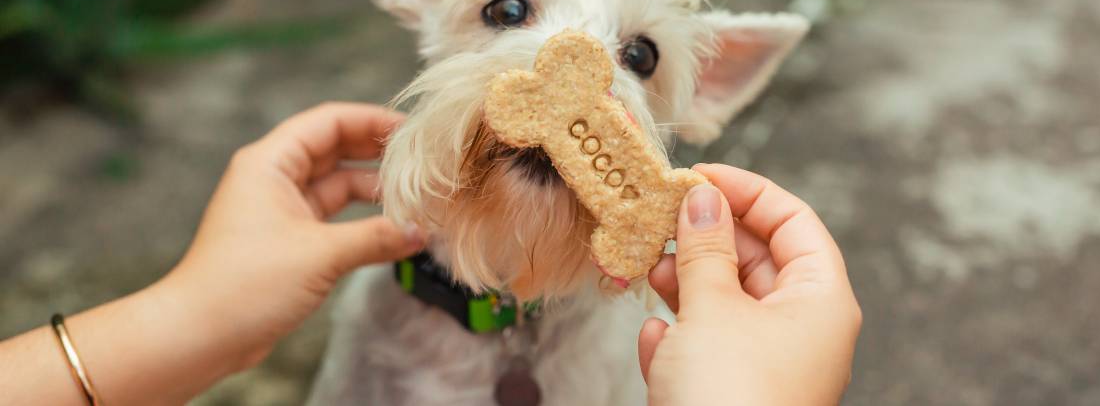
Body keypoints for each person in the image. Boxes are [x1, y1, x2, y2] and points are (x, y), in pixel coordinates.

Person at [0, 102, 861, 406]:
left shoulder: (665, 358)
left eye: (635, 57)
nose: (586, 77)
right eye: (506, 13)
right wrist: (191, 323)